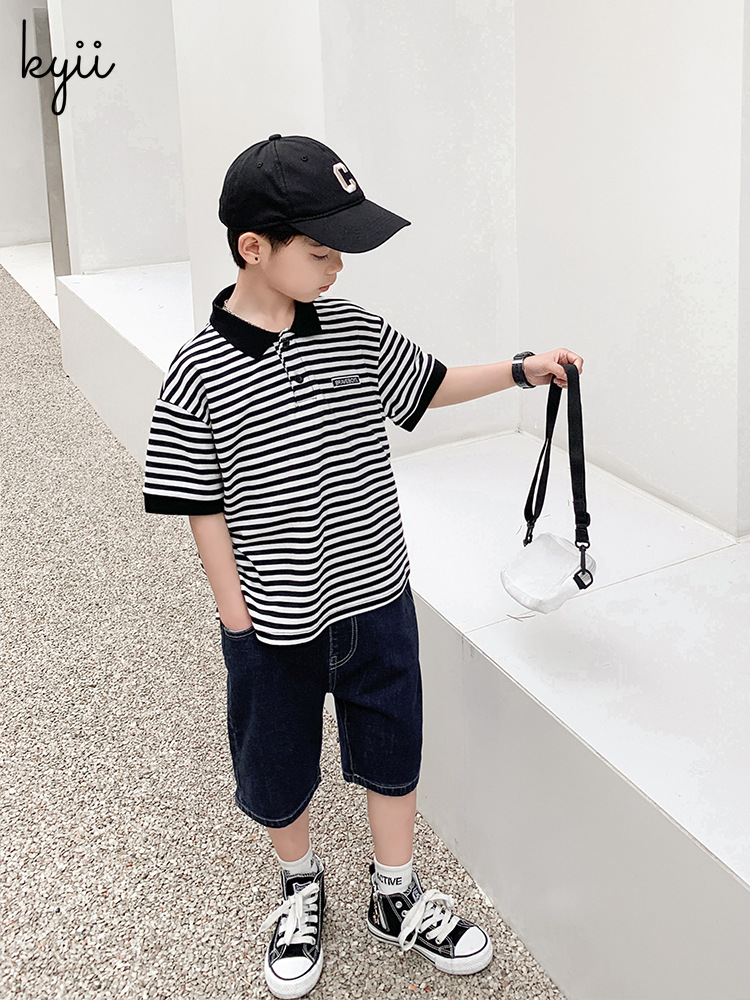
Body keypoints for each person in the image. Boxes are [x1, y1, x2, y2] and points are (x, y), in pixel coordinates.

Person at [142, 133, 583, 999]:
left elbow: (430, 384)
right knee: (277, 761)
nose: (338, 266)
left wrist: (521, 371)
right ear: (253, 248)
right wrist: (235, 617)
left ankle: (395, 892)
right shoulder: (195, 372)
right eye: (321, 250)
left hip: (376, 594)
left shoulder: (351, 330)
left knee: (392, 741)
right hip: (272, 616)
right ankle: (299, 885)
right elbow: (200, 503)